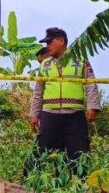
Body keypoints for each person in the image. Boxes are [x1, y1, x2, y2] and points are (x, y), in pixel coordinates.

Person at [28, 28, 100, 175]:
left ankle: (80, 188)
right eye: (46, 43)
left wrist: (93, 107)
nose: (47, 46)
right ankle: (31, 183)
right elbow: (38, 90)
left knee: (79, 153)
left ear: (61, 41)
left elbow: (90, 84)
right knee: (41, 151)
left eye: (50, 42)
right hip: (49, 115)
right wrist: (34, 114)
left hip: (75, 116)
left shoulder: (80, 60)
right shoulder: (45, 64)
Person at [22, 45, 52, 178]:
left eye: (41, 61)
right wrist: (35, 114)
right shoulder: (45, 70)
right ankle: (31, 175)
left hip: (64, 114)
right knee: (41, 146)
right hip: (48, 113)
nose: (41, 64)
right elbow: (38, 93)